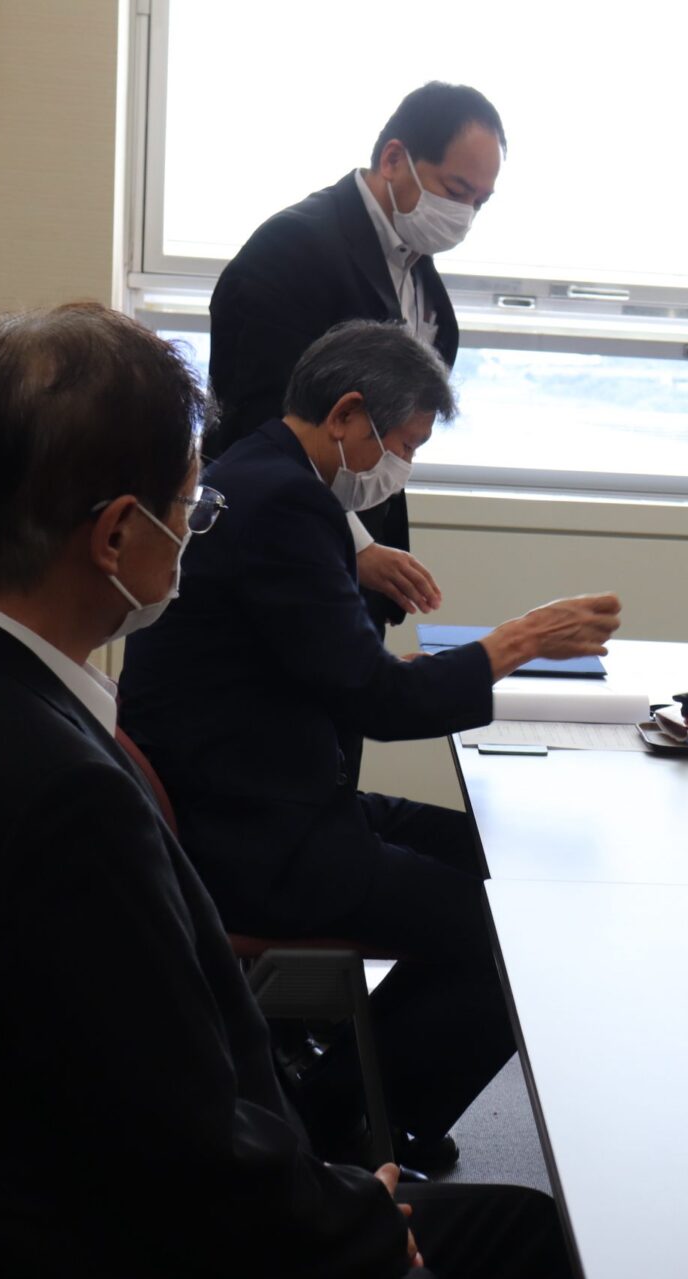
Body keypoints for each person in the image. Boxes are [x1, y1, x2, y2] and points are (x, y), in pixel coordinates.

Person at [0, 303, 570, 1278]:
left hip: (44, 1174)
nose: (196, 526)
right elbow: (190, 1150)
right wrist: (360, 1216)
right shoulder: (62, 798)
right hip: (145, 1237)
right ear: (115, 535)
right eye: (189, 507)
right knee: (540, 1236)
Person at [118, 320, 619, 1173]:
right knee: (506, 930)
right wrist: (516, 643)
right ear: (348, 414)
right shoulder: (289, 506)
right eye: (405, 445)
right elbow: (377, 702)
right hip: (257, 837)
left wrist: (408, 642)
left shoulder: (249, 472)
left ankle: (351, 1094)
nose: (401, 468)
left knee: (497, 858)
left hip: (248, 795)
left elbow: (330, 666)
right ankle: (339, 1121)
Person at [208, 81, 504, 627]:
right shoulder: (292, 248)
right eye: (456, 190)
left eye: (479, 203)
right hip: (271, 553)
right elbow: (255, 427)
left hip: (352, 557)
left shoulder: (416, 266)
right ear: (393, 159)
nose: (464, 215)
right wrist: (355, 544)